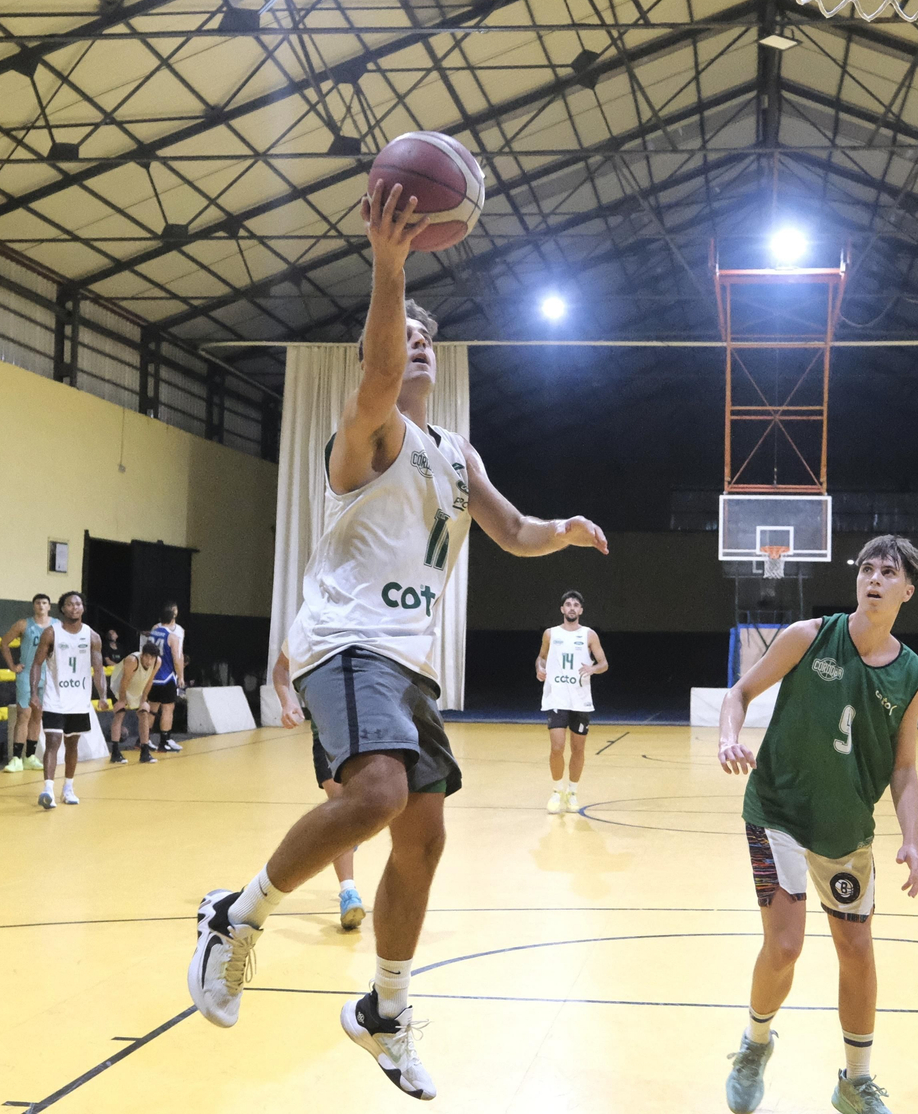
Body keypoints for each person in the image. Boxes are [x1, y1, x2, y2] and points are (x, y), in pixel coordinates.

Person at [185, 181, 608, 1101]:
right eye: (402, 329)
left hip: (410, 660)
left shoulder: (457, 453)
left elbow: (512, 530)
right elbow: (378, 373)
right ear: (377, 352)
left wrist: (561, 528)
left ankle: (383, 1008)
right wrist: (388, 264)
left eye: (427, 329)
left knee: (424, 840)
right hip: (345, 641)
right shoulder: (366, 432)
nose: (417, 337)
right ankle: (236, 914)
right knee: (376, 791)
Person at [716, 535, 918, 1114]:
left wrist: (911, 838)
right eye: (866, 568)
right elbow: (739, 693)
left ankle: (854, 1083)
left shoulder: (912, 674)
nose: (874, 578)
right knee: (785, 947)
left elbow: (904, 765)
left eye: (888, 571)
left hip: (846, 829)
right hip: (778, 811)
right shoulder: (808, 637)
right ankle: (754, 1045)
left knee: (857, 949)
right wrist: (729, 737)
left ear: (907, 589)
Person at [272, 644, 367, 930]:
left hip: (368, 731)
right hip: (326, 736)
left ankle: (352, 838)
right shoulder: (310, 625)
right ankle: (349, 893)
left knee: (374, 808)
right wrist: (287, 701)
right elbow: (280, 668)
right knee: (341, 813)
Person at [31, 591, 107, 808]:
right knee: (53, 742)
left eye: (78, 604)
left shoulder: (92, 636)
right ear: (62, 609)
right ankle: (48, 790)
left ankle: (68, 787)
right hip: (55, 698)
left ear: (83, 608)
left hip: (79, 701)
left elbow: (99, 669)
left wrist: (102, 696)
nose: (75, 607)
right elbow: (37, 664)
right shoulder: (51, 633)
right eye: (70, 604)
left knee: (72, 744)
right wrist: (34, 693)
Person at [537, 589, 608, 814]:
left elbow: (604, 663)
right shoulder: (550, 633)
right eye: (568, 604)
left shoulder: (589, 635)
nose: (572, 608)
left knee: (578, 749)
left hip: (580, 699)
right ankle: (557, 791)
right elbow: (541, 657)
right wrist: (539, 668)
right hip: (556, 696)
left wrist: (593, 668)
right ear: (562, 609)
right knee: (557, 747)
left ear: (581, 610)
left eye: (576, 605)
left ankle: (573, 791)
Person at [0, 595, 55, 774]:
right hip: (27, 674)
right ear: (33, 606)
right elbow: (4, 643)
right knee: (24, 714)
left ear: (49, 607)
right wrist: (12, 666)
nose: (41, 605)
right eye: (38, 603)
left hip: (47, 675)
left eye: (44, 603)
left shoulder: (56, 625)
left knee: (38, 716)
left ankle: (30, 756)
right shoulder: (23, 624)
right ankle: (16, 758)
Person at [109, 640, 161, 764]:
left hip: (136, 688)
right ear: (142, 655)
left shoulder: (157, 662)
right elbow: (124, 681)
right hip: (118, 687)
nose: (149, 661)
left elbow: (149, 681)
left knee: (144, 714)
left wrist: (144, 699)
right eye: (147, 657)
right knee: (120, 714)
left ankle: (145, 752)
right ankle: (115, 752)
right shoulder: (132, 661)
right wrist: (122, 700)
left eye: (152, 658)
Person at [147, 604, 188, 752]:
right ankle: (164, 742)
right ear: (172, 619)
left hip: (153, 676)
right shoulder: (173, 637)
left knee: (152, 709)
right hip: (166, 677)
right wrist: (180, 676)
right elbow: (177, 659)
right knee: (168, 709)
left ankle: (144, 739)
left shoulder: (153, 633)